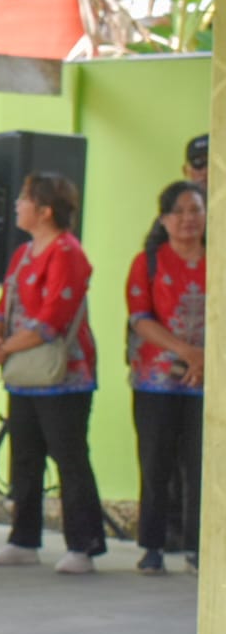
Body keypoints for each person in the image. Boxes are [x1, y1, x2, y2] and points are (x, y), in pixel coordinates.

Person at [0, 172, 104, 574]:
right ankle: (24, 539)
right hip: (24, 375)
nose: (16, 205)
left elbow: (53, 319)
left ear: (45, 210)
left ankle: (82, 545)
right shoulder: (23, 253)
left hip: (63, 376)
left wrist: (4, 349)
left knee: (68, 457)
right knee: (25, 458)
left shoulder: (68, 252)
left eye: (23, 199)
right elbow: (5, 306)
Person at [126, 181, 205, 576]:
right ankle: (153, 545)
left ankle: (198, 546)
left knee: (203, 465)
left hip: (208, 381)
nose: (189, 219)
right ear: (164, 219)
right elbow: (140, 319)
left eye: (196, 210)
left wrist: (206, 359)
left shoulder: (218, 258)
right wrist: (187, 351)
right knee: (155, 462)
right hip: (155, 381)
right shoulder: (149, 262)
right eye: (180, 211)